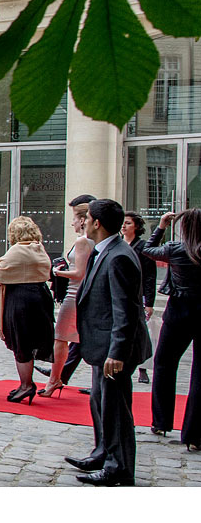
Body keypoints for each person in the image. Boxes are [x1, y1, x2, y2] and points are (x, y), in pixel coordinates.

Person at [66, 198, 149, 486]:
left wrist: (117, 352)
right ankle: (104, 452)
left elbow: (124, 310)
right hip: (100, 345)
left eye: (86, 218)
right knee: (101, 403)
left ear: (97, 223)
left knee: (116, 411)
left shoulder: (119, 256)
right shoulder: (107, 250)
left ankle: (119, 468)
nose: (82, 222)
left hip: (113, 350)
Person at [140, 209, 201, 452]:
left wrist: (161, 226)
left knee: (165, 363)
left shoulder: (175, 248)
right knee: (199, 372)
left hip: (178, 310)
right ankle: (195, 434)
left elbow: (146, 249)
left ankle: (161, 421)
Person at [0, 216, 55, 403]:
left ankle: (26, 385)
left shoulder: (17, 251)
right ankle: (26, 384)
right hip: (39, 296)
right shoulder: (39, 249)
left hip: (21, 298)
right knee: (28, 341)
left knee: (21, 342)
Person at [46, 201, 93, 396]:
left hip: (74, 294)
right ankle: (56, 379)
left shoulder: (83, 241)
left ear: (82, 220)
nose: (71, 223)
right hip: (80, 293)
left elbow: (79, 272)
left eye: (74, 219)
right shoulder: (91, 240)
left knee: (60, 338)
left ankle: (54, 380)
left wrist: (58, 273)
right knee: (69, 338)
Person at [123, 212, 159, 385]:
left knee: (141, 332)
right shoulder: (118, 244)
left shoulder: (143, 246)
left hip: (139, 295)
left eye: (128, 223)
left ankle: (142, 369)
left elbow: (150, 276)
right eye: (123, 223)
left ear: (136, 227)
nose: (124, 226)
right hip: (123, 293)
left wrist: (149, 302)